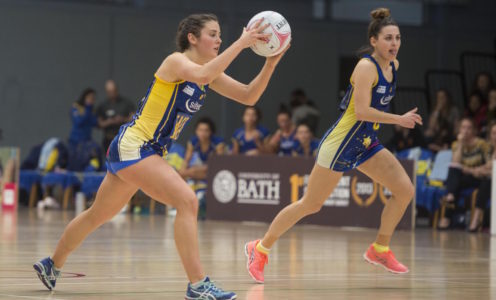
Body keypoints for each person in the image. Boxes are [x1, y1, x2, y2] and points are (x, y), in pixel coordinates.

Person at [34, 13, 289, 299]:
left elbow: (248, 95)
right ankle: (198, 285)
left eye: (220, 35)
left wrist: (270, 63)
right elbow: (204, 75)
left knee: (98, 215)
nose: (219, 40)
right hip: (136, 145)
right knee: (187, 200)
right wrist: (242, 43)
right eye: (213, 34)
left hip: (142, 149)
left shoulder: (209, 71)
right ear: (192, 38)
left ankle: (51, 264)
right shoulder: (177, 62)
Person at [244, 8, 422, 284]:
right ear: (374, 41)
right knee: (310, 205)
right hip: (341, 143)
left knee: (404, 190)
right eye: (388, 38)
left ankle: (380, 249)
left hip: (365, 142)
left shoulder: (393, 67)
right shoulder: (365, 67)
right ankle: (260, 248)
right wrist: (398, 119)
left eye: (398, 38)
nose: (395, 43)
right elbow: (361, 111)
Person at [438, 118, 491, 230]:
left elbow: (490, 165)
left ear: (474, 130)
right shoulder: (456, 144)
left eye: (469, 128)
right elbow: (456, 163)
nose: (466, 131)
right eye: (463, 127)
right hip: (464, 176)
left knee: (455, 183)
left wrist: (472, 170)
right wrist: (461, 144)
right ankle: (450, 196)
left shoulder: (482, 144)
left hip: (479, 176)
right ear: (459, 129)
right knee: (453, 171)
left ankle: (452, 213)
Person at [468, 121, 496, 232]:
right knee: (482, 181)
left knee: (486, 182)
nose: (495, 136)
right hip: (487, 179)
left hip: (492, 180)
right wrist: (478, 170)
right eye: (493, 133)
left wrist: (482, 171)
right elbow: (487, 166)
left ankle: (476, 219)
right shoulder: (489, 150)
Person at [96, 80, 136, 151]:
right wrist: (109, 122)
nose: (111, 94)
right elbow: (99, 123)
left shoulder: (126, 103)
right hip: (109, 138)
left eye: (113, 91)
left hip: (123, 139)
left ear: (116, 90)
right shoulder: (103, 105)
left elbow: (134, 118)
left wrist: (123, 119)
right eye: (109, 92)